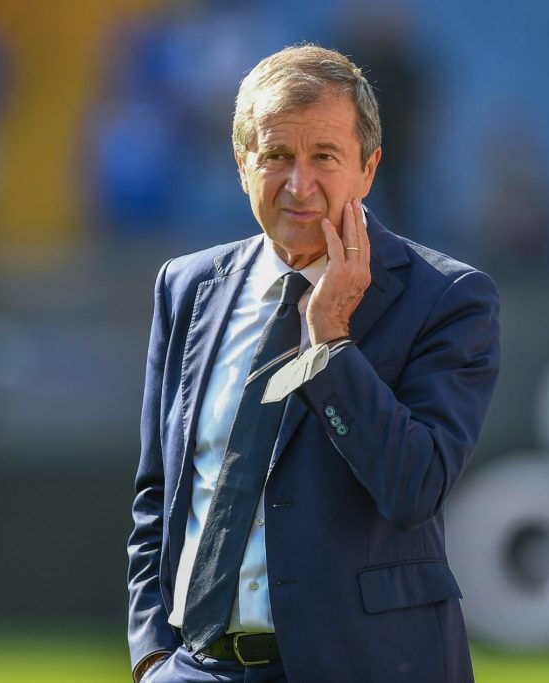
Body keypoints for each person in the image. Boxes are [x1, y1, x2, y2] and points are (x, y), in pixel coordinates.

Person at [126, 45, 500, 682]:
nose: (299, 185)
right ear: (242, 163)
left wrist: (331, 344)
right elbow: (158, 492)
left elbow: (414, 487)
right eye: (276, 156)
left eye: (324, 156)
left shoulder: (448, 298)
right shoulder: (186, 287)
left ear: (368, 168)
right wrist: (153, 655)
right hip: (197, 668)